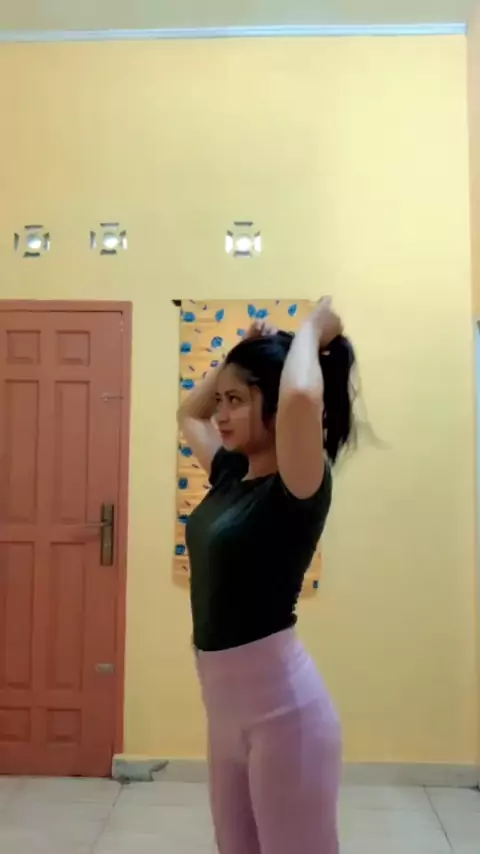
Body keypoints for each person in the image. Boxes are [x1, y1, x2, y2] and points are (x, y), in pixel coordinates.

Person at [177, 298, 355, 854]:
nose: (220, 414)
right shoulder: (232, 474)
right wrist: (239, 357)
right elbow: (188, 414)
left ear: (274, 407)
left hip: (285, 717)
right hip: (223, 715)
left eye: (237, 401)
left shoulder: (297, 484)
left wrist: (312, 327)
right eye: (222, 401)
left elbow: (301, 395)